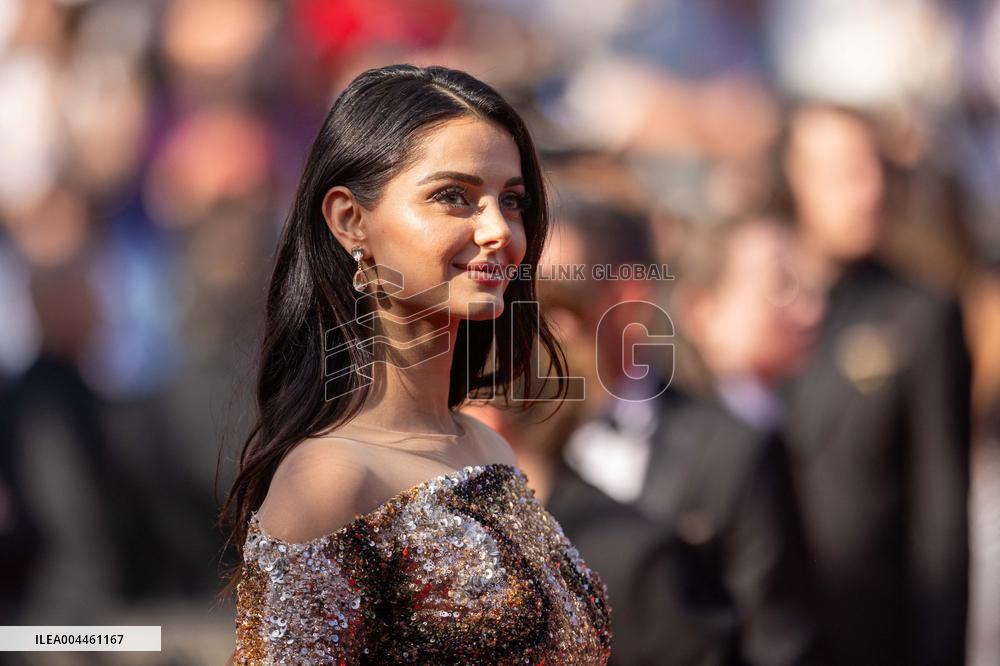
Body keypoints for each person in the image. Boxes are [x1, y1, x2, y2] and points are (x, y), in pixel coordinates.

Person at [218, 64, 612, 664]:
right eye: (453, 197)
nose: (497, 231)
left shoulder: (486, 446)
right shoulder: (330, 479)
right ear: (351, 220)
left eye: (512, 201)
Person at [781, 103, 971, 666]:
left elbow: (942, 516)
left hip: (874, 634)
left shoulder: (920, 314)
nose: (868, 191)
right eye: (842, 172)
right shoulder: (750, 305)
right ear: (793, 176)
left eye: (877, 169)